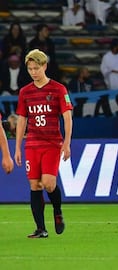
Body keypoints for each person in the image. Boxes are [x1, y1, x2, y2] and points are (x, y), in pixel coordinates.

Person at [14, 49, 73, 238]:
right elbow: (22, 120)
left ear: (44, 66)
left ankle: (57, 211)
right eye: (30, 68)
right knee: (35, 185)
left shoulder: (58, 89)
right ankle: (41, 228)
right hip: (32, 143)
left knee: (48, 183)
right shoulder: (25, 92)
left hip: (52, 143)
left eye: (36, 68)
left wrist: (67, 143)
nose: (33, 72)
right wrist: (17, 148)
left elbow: (67, 118)